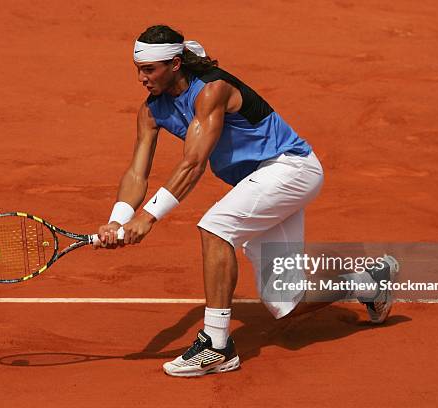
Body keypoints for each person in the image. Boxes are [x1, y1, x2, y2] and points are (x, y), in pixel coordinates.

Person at [93, 25, 399, 377]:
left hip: (290, 168)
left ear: (175, 64)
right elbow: (136, 172)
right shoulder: (151, 111)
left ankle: (217, 345)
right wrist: (118, 218)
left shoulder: (212, 90)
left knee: (216, 227)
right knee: (286, 302)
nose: (141, 78)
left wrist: (148, 217)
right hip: (261, 182)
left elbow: (193, 163)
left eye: (149, 70)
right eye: (138, 70)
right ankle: (370, 282)